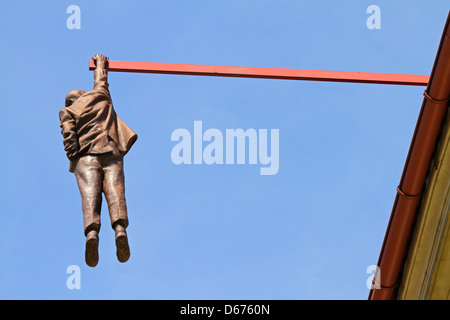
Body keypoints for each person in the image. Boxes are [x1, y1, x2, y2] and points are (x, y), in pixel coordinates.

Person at [59, 54, 138, 267]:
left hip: (86, 157)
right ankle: (120, 229)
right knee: (115, 191)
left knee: (90, 197)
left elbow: (69, 140)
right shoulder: (100, 96)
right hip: (111, 152)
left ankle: (92, 234)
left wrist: (74, 156)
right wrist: (100, 63)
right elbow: (101, 79)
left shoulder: (67, 112)